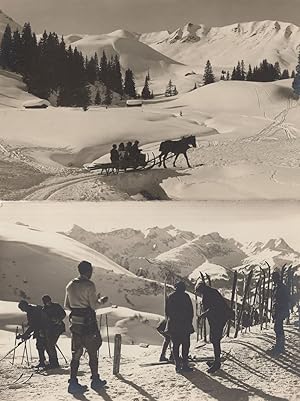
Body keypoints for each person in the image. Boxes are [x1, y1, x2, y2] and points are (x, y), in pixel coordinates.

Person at [64, 261, 108, 394]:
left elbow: (67, 305)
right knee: (92, 351)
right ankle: (95, 379)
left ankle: (73, 381)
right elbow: (94, 306)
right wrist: (101, 301)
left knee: (76, 353)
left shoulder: (70, 285)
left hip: (76, 324)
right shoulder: (89, 285)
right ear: (89, 271)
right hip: (88, 323)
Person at [195, 281, 233, 373]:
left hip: (218, 319)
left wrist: (203, 315)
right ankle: (216, 360)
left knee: (215, 340)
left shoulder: (209, 294)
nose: (199, 293)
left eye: (199, 291)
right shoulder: (211, 292)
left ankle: (217, 363)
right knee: (214, 339)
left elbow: (213, 308)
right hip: (217, 318)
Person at [165, 281, 194, 373]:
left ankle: (177, 365)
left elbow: (167, 312)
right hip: (185, 325)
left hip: (174, 326)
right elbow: (190, 312)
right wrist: (189, 322)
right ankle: (185, 365)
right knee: (185, 346)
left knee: (176, 346)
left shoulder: (171, 296)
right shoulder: (186, 297)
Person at [17, 300, 49, 368]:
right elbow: (33, 324)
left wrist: (26, 334)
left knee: (41, 345)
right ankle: (47, 361)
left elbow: (34, 324)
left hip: (42, 330)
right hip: (42, 329)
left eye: (22, 308)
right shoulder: (32, 310)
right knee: (43, 345)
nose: (22, 310)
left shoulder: (32, 312)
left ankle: (45, 362)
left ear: (25, 306)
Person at [42, 295, 66, 369]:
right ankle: (52, 362)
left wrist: (58, 319)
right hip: (50, 329)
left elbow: (63, 314)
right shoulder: (44, 309)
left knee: (51, 344)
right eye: (46, 302)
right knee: (48, 345)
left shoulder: (56, 306)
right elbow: (44, 321)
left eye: (48, 301)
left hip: (58, 328)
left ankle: (54, 363)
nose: (47, 303)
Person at [271, 271, 291, 354]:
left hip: (281, 310)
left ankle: (280, 347)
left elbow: (285, 299)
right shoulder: (278, 286)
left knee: (278, 327)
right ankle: (279, 345)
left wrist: (280, 309)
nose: (273, 279)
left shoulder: (281, 287)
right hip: (279, 310)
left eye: (273, 278)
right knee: (278, 327)